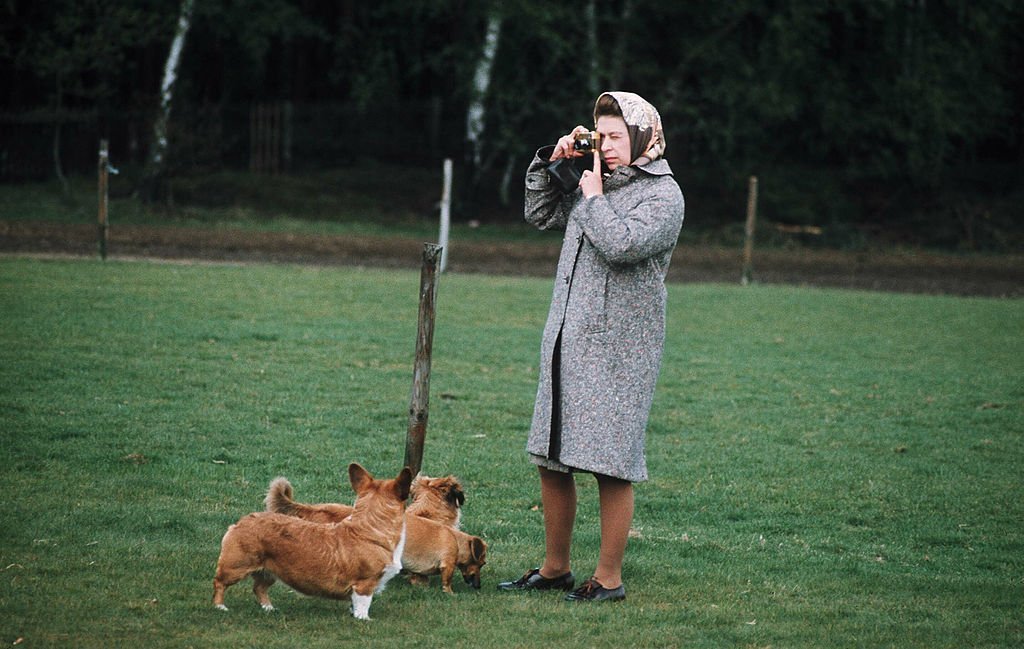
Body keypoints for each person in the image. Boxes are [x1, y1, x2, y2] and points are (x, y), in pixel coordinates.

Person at [497, 91, 685, 603]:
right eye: (602, 136)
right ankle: (554, 567)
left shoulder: (663, 196)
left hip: (621, 349)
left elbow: (622, 246)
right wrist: (551, 163)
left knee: (610, 463)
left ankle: (608, 580)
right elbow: (539, 214)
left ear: (646, 136)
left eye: (618, 136)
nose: (608, 146)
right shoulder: (590, 180)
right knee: (552, 456)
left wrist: (595, 195)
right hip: (567, 336)